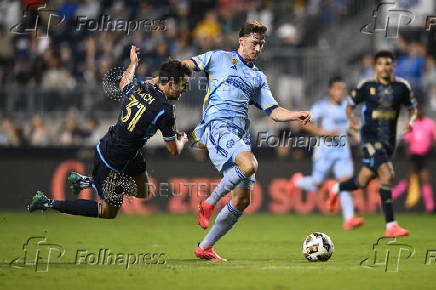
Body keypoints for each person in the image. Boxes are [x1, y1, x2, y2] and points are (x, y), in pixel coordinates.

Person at [182, 22, 311, 261]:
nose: (258, 48)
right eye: (254, 43)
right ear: (241, 41)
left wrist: (295, 114)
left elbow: (273, 111)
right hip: (217, 126)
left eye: (261, 44)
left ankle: (205, 247)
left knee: (242, 200)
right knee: (249, 164)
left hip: (240, 134)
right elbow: (189, 64)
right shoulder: (218, 58)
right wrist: (175, 71)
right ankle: (208, 203)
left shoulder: (258, 77)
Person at [27, 45, 191, 218]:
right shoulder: (165, 110)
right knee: (108, 212)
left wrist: (133, 63)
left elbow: (123, 83)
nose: (185, 90)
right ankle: (47, 202)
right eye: (183, 85)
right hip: (113, 160)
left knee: (144, 191)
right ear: (171, 83)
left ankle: (89, 181)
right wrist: (183, 140)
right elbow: (173, 150)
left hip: (125, 150)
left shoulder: (141, 87)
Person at [327, 50, 417, 237]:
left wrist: (411, 121)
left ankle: (336, 188)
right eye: (380, 63)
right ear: (375, 67)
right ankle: (391, 225)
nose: (384, 67)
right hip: (369, 138)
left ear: (393, 66)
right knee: (387, 173)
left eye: (387, 63)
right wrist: (351, 119)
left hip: (389, 142)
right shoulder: (366, 86)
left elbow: (413, 108)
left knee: (362, 181)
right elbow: (350, 105)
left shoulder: (402, 87)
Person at [286, 76, 364, 230]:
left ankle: (349, 220)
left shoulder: (348, 106)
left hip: (343, 151)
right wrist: (323, 133)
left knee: (345, 182)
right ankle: (297, 181)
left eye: (342, 88)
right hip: (325, 151)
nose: (340, 91)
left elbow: (346, 128)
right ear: (331, 90)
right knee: (317, 184)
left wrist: (356, 136)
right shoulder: (322, 106)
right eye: (337, 88)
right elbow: (304, 123)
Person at [393, 106, 435, 213]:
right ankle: (392, 195)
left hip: (424, 155)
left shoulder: (429, 123)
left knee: (424, 178)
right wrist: (408, 155)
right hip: (414, 155)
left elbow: (433, 138)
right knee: (410, 178)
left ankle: (430, 206)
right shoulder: (411, 125)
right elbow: (407, 141)